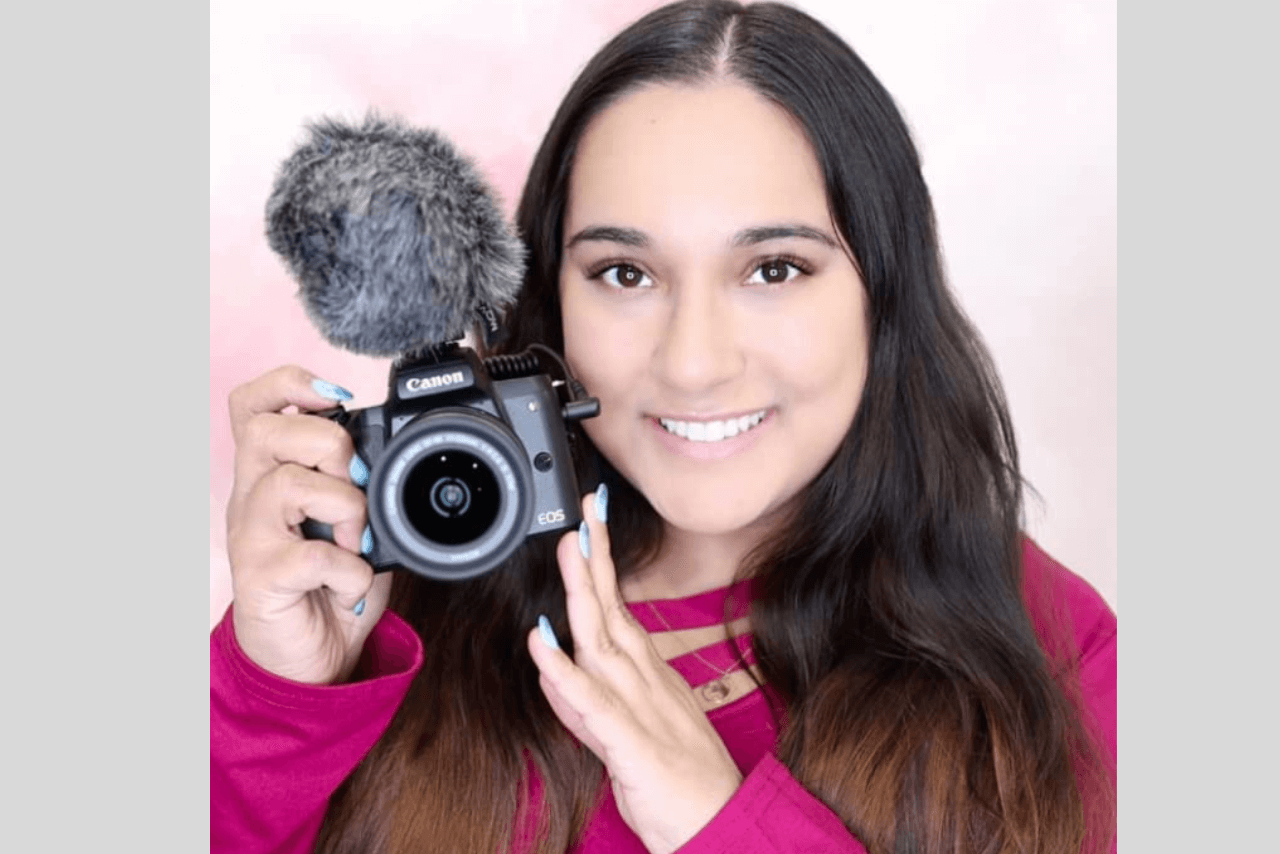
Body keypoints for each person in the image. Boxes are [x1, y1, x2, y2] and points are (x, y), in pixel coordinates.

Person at [211, 2, 1117, 853]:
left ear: (883, 291)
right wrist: (272, 706)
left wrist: (718, 821)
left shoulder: (1052, 647)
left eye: (773, 269)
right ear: (553, 301)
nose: (692, 363)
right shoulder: (383, 615)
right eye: (625, 274)